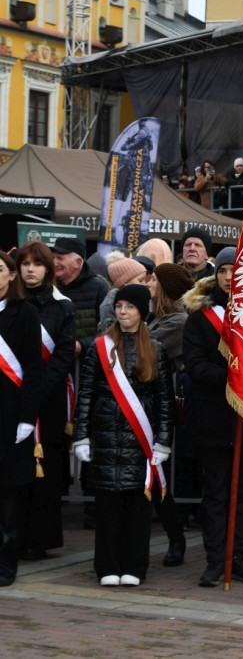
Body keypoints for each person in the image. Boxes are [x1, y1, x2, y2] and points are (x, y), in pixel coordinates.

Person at [72, 284, 174, 586]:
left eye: (130, 307)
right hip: (105, 440)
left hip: (139, 441)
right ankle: (106, 567)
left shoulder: (156, 349)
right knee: (107, 510)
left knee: (137, 509)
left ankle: (134, 566)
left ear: (142, 311)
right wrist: (81, 436)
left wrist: (163, 440)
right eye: (119, 306)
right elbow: (86, 393)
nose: (122, 312)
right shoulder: (99, 347)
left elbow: (165, 400)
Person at [181, 248, 243, 587]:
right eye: (224, 271)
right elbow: (195, 364)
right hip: (213, 418)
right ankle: (216, 558)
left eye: (236, 270)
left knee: (242, 493)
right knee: (216, 493)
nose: (230, 277)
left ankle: (240, 555)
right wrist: (232, 375)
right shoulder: (200, 318)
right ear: (215, 275)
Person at [15, 243, 75, 561]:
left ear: (48, 268)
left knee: (46, 472)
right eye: (24, 264)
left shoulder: (63, 307)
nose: (30, 269)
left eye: (37, 264)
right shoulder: (9, 305)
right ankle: (14, 534)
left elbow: (64, 354)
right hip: (13, 400)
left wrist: (38, 391)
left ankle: (40, 539)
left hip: (48, 403)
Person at [146, 263, 196, 567]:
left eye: (152, 280)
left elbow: (142, 353)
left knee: (161, 478)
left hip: (161, 409)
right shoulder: (155, 318)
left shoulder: (177, 322)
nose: (148, 284)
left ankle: (176, 537)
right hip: (145, 407)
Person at [0, 251, 45, 587]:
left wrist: (27, 417)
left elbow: (32, 368)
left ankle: (6, 561)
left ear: (12, 275)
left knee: (10, 494)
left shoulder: (25, 313)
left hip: (11, 415)